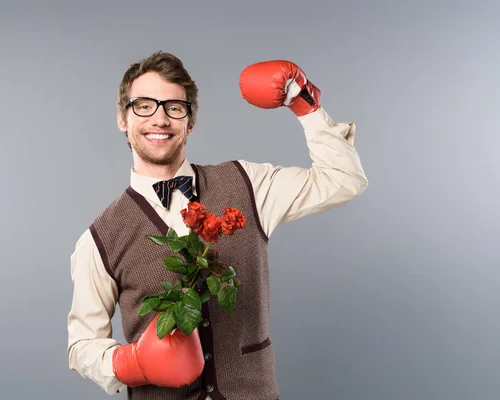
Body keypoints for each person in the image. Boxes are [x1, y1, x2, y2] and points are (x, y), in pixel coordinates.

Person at [67, 51, 368, 400]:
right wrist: (130, 362)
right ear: (123, 118)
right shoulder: (99, 238)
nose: (160, 119)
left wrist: (304, 104)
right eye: (144, 105)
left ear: (190, 121)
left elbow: (343, 179)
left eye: (174, 107)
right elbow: (82, 344)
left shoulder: (247, 184)